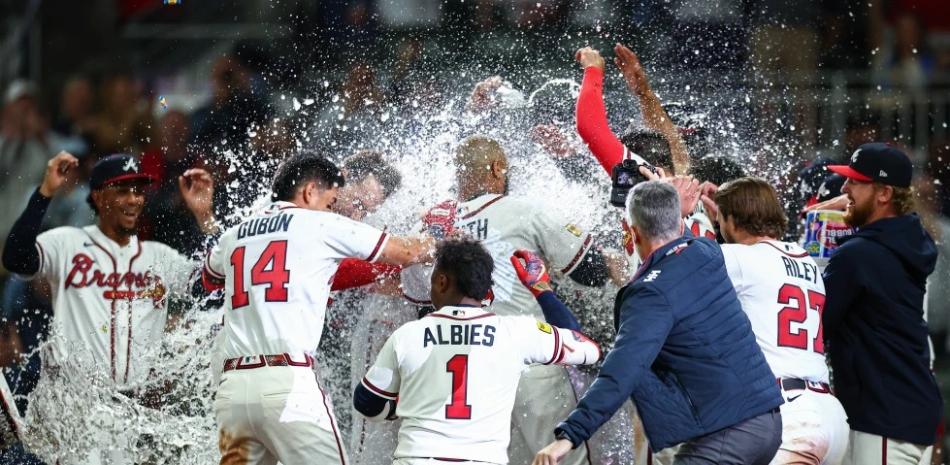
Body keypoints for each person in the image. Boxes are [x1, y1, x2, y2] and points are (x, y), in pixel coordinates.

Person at [203, 152, 433, 465]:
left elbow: (210, 276)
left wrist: (208, 222)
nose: (356, 213)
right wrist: (449, 243)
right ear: (314, 190)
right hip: (287, 383)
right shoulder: (322, 224)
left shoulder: (239, 231)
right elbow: (405, 252)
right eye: (353, 202)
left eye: (367, 210)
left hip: (232, 390)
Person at [534, 180, 784, 465]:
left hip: (729, 430)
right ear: (679, 224)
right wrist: (679, 213)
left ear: (633, 233)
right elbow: (683, 245)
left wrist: (568, 436)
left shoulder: (649, 294)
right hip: (768, 421)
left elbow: (622, 370)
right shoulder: (706, 252)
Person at [401, 135, 612, 465]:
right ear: (497, 168)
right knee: (560, 458)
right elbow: (592, 270)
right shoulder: (524, 211)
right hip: (530, 363)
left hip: (468, 375)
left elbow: (417, 300)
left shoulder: (432, 224)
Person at [0, 151, 215, 464]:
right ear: (99, 197)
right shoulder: (67, 244)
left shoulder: (160, 257)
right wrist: (45, 193)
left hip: (138, 414)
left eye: (138, 191)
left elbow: (213, 287)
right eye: (122, 190)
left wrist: (205, 218)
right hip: (78, 410)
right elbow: (16, 258)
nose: (133, 200)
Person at [354, 240, 600, 464]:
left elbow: (367, 404)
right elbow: (587, 348)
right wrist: (541, 288)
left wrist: (410, 399)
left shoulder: (408, 335)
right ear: (486, 291)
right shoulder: (514, 332)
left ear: (441, 281)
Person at [704, 177, 849, 465]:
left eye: (721, 219)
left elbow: (674, 261)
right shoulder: (805, 257)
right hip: (829, 413)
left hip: (788, 416)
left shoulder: (738, 258)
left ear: (732, 220)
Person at [821, 143, 942, 464]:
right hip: (908, 406)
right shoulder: (910, 238)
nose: (845, 188)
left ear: (884, 193)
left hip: (882, 416)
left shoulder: (859, 254)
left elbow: (815, 325)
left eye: (855, 182)